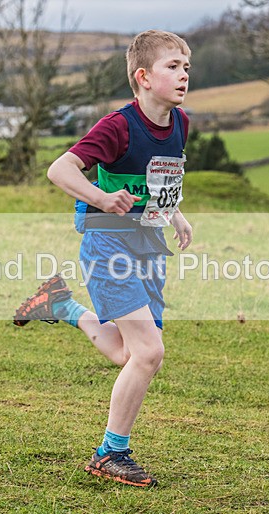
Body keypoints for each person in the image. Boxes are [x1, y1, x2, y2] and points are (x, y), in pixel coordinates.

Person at [13, 30, 193, 487]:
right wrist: (100, 196)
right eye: (172, 66)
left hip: (149, 246)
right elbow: (60, 169)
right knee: (150, 353)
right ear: (143, 76)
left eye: (186, 66)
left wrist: (175, 215)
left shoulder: (180, 123)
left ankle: (61, 305)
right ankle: (110, 453)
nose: (183, 74)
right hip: (108, 244)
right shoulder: (118, 126)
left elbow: (157, 183)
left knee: (128, 352)